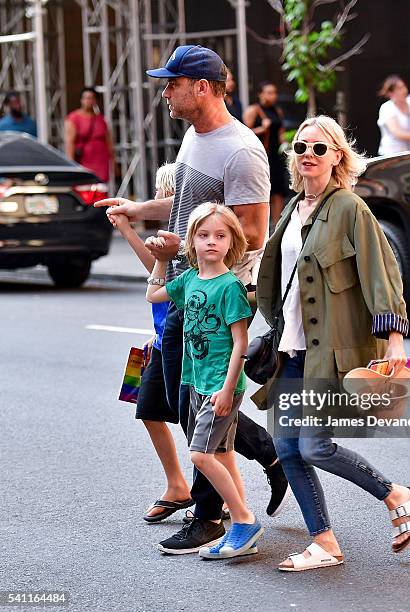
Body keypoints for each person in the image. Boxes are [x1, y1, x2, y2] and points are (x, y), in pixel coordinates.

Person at [95, 45, 290, 554]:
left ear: (201, 87)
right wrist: (139, 210)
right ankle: (255, 469)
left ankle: (213, 516)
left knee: (197, 407)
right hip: (182, 287)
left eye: (171, 83)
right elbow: (184, 204)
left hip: (216, 294)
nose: (164, 91)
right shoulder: (193, 138)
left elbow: (252, 228)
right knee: (172, 402)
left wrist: (184, 244)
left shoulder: (241, 150)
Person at [252, 115, 410, 572]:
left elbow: (382, 275)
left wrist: (394, 341)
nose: (309, 154)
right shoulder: (291, 210)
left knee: (314, 446)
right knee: (287, 450)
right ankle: (324, 541)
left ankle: (396, 494)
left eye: (320, 149)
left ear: (338, 157)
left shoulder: (349, 208)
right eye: (302, 147)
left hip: (328, 351)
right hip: (289, 350)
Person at [147, 202, 264, 559]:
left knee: (200, 453)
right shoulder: (189, 280)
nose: (211, 242)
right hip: (195, 381)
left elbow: (241, 342)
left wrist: (228, 389)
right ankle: (240, 524)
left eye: (220, 235)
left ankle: (244, 521)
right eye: (203, 235)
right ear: (192, 243)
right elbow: (154, 295)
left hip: (220, 386)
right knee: (223, 453)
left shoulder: (230, 287)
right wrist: (163, 260)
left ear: (232, 242)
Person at [107, 163, 193, 522]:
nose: (159, 199)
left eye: (164, 193)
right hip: (160, 337)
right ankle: (177, 485)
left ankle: (256, 466)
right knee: (146, 407)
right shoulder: (166, 241)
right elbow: (153, 271)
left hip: (184, 338)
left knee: (199, 418)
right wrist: (128, 230)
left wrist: (132, 232)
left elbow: (161, 281)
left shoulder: (189, 241)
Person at [243, 81, 287, 225]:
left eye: (274, 93)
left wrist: (286, 146)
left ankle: (276, 224)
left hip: (276, 156)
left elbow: (281, 132)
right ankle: (262, 225)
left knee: (278, 191)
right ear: (260, 94)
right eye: (268, 92)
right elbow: (243, 134)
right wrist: (261, 129)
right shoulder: (254, 110)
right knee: (264, 190)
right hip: (261, 156)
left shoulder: (277, 111)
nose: (272, 96)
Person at [64, 87, 114, 182]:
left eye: (91, 98)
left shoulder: (101, 119)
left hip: (101, 162)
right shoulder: (74, 118)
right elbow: (70, 143)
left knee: (101, 188)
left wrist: (113, 162)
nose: (89, 101)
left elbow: (109, 142)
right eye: (86, 98)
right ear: (81, 100)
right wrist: (71, 165)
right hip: (83, 161)